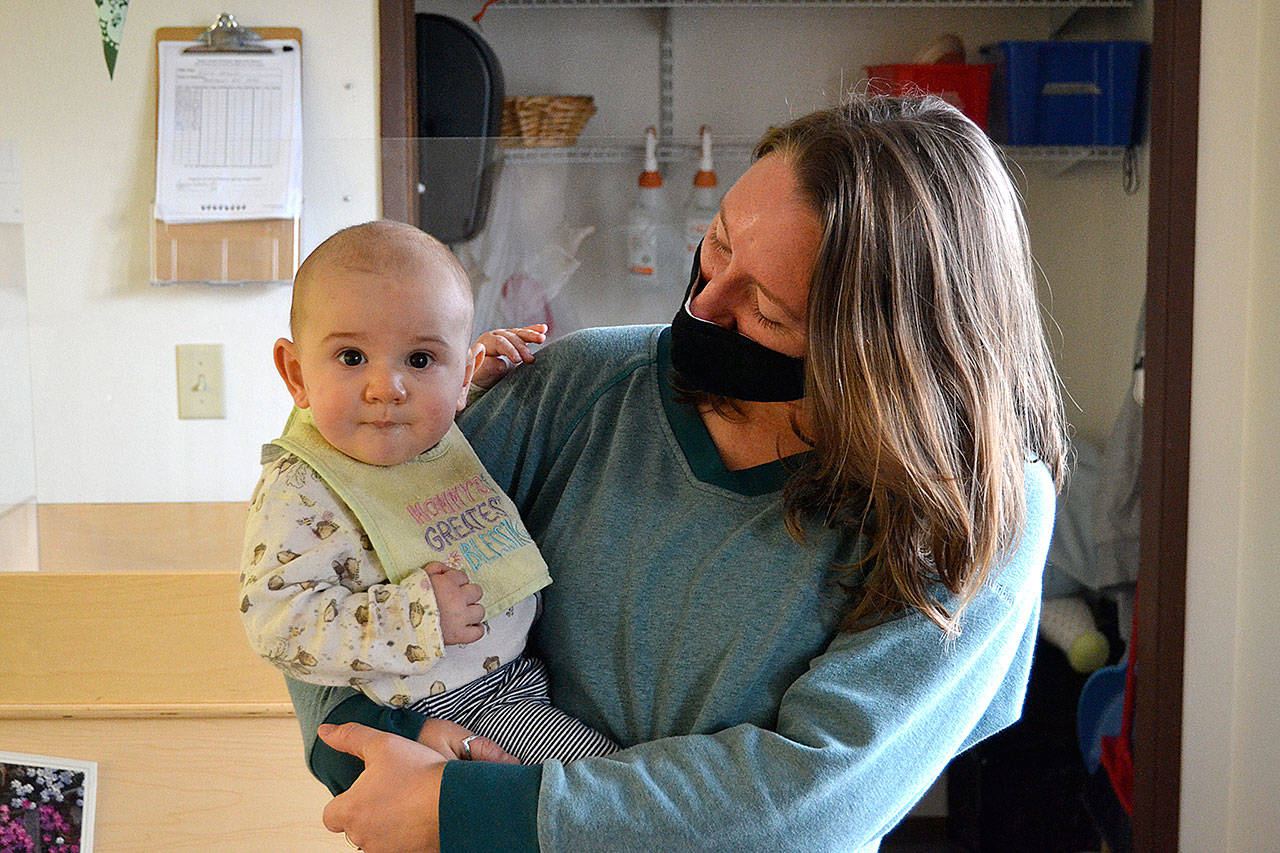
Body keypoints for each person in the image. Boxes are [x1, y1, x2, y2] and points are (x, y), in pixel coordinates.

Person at [290, 95, 1068, 852]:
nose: (705, 302)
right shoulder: (576, 389)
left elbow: (809, 796)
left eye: (766, 310)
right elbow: (321, 576)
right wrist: (387, 749)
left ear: (878, 355)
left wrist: (489, 810)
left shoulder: (972, 508)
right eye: (719, 244)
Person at [239, 220, 618, 778]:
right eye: (351, 358)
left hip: (516, 677)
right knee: (605, 789)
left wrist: (473, 384)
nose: (385, 388)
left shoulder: (408, 432)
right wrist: (415, 616)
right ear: (297, 374)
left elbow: (428, 437)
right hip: (446, 704)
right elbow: (277, 624)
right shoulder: (303, 487)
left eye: (420, 360)